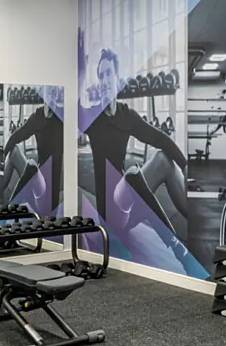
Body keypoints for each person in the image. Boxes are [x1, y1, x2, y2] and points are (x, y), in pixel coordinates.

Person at [79, 37, 189, 240]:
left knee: (163, 160)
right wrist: (81, 74)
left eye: (108, 74)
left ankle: (191, 217)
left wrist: (185, 165)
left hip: (129, 207)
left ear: (117, 78)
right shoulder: (93, 117)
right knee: (132, 174)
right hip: (110, 214)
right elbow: (75, 113)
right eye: (101, 76)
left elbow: (161, 139)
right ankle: (172, 241)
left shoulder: (127, 115)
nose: (104, 81)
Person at [0, 86, 63, 215]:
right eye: (50, 92)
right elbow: (16, 137)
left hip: (47, 192)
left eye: (55, 93)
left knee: (32, 166)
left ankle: (10, 207)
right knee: (14, 151)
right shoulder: (37, 117)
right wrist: (3, 157)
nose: (52, 96)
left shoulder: (61, 119)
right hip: (36, 178)